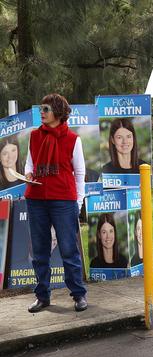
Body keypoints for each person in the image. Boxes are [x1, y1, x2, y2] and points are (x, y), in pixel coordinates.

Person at [24, 93, 88, 313]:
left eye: (45, 109)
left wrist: (78, 202)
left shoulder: (72, 139)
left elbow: (80, 174)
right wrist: (29, 174)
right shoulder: (34, 136)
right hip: (36, 200)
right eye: (41, 109)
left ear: (58, 113)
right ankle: (42, 296)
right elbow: (29, 163)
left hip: (63, 200)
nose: (41, 112)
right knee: (40, 251)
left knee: (69, 250)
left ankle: (78, 295)